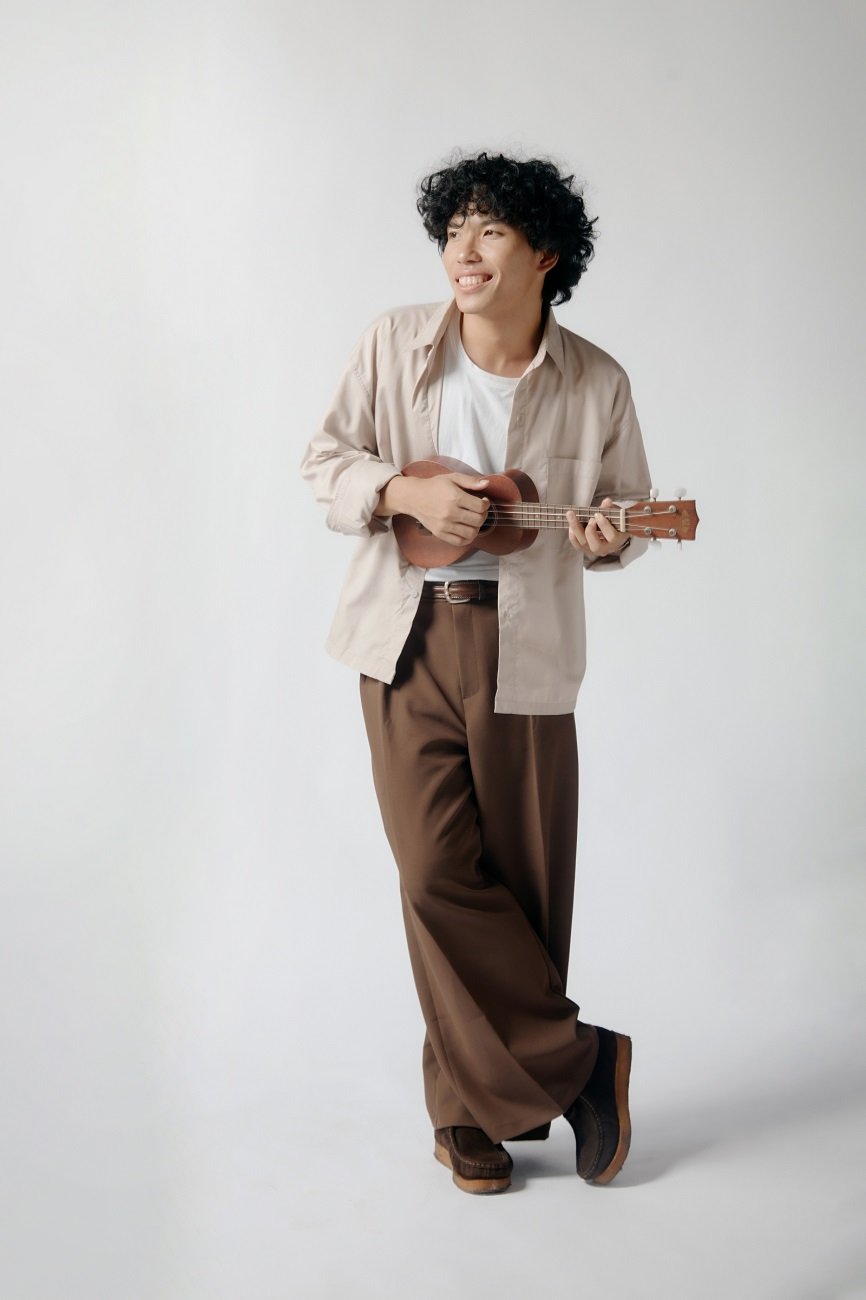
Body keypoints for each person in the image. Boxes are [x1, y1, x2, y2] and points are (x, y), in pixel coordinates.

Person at [301, 151, 651, 1194]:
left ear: (545, 256)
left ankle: (467, 1113)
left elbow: (626, 516)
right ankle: (581, 1062)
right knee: (432, 876)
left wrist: (608, 539)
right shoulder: (393, 343)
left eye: (490, 229)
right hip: (403, 637)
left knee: (525, 882)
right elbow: (326, 461)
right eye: (454, 228)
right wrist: (400, 493)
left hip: (525, 648)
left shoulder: (596, 382)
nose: (463, 249)